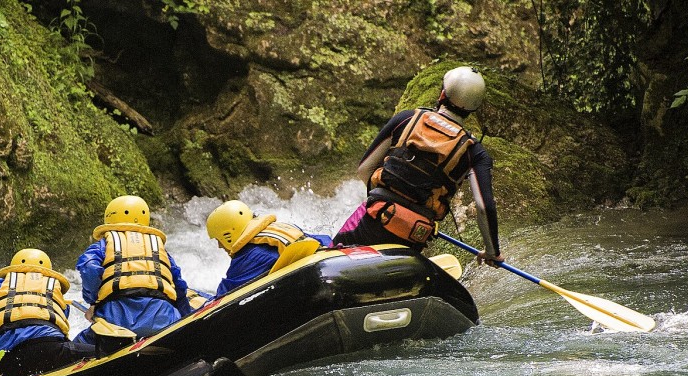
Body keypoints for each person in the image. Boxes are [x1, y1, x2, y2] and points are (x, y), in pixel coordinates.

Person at [333, 65, 505, 266]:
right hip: (414, 233)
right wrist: (492, 252)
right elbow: (484, 207)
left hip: (374, 218)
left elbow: (364, 169)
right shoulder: (474, 152)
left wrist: (380, 196)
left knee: (332, 254)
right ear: (474, 108)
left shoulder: (406, 119)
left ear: (443, 94)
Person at [0, 248, 95, 376]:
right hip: (51, 349)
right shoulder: (54, 288)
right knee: (102, 353)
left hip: (7, 358)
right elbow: (59, 325)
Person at [74, 195, 193, 344]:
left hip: (116, 319)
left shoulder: (103, 245)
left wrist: (93, 301)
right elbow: (179, 286)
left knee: (78, 344)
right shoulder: (159, 248)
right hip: (165, 318)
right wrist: (186, 317)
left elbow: (89, 268)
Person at [206, 199, 334, 296]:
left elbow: (223, 296)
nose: (219, 245)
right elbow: (325, 241)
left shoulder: (247, 258)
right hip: (328, 271)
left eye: (219, 240)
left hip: (314, 286)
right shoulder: (281, 228)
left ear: (229, 234)